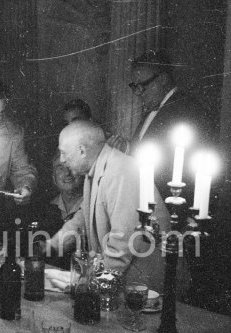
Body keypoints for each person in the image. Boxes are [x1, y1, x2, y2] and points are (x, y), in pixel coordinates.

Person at [45, 120, 171, 291]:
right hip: (130, 275)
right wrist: (52, 245)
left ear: (82, 150)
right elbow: (83, 216)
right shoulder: (97, 168)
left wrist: (89, 285)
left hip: (146, 281)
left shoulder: (120, 171)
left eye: (64, 153)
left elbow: (123, 241)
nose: (62, 160)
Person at [110, 50, 215, 200]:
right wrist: (127, 149)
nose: (138, 93)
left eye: (143, 85)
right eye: (135, 87)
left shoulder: (186, 109)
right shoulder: (154, 107)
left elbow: (185, 165)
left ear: (163, 79)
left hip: (169, 201)